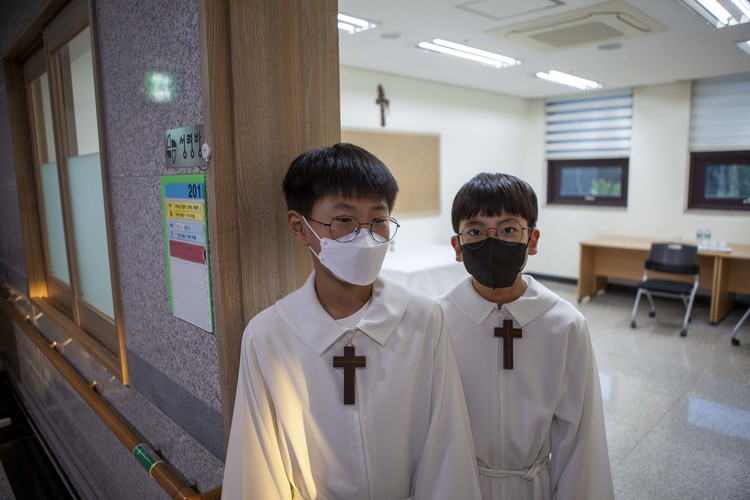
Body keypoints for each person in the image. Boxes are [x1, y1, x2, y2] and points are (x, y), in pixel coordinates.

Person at [222, 143, 481, 500]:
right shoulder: (269, 335)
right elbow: (259, 466)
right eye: (344, 220)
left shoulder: (423, 321)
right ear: (299, 228)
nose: (366, 236)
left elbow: (447, 447)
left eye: (378, 220)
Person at [437, 172, 614, 500]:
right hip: (457, 485)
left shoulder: (564, 324)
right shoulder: (437, 322)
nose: (491, 241)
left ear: (532, 240)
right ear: (458, 246)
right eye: (475, 231)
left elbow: (581, 436)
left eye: (508, 229)